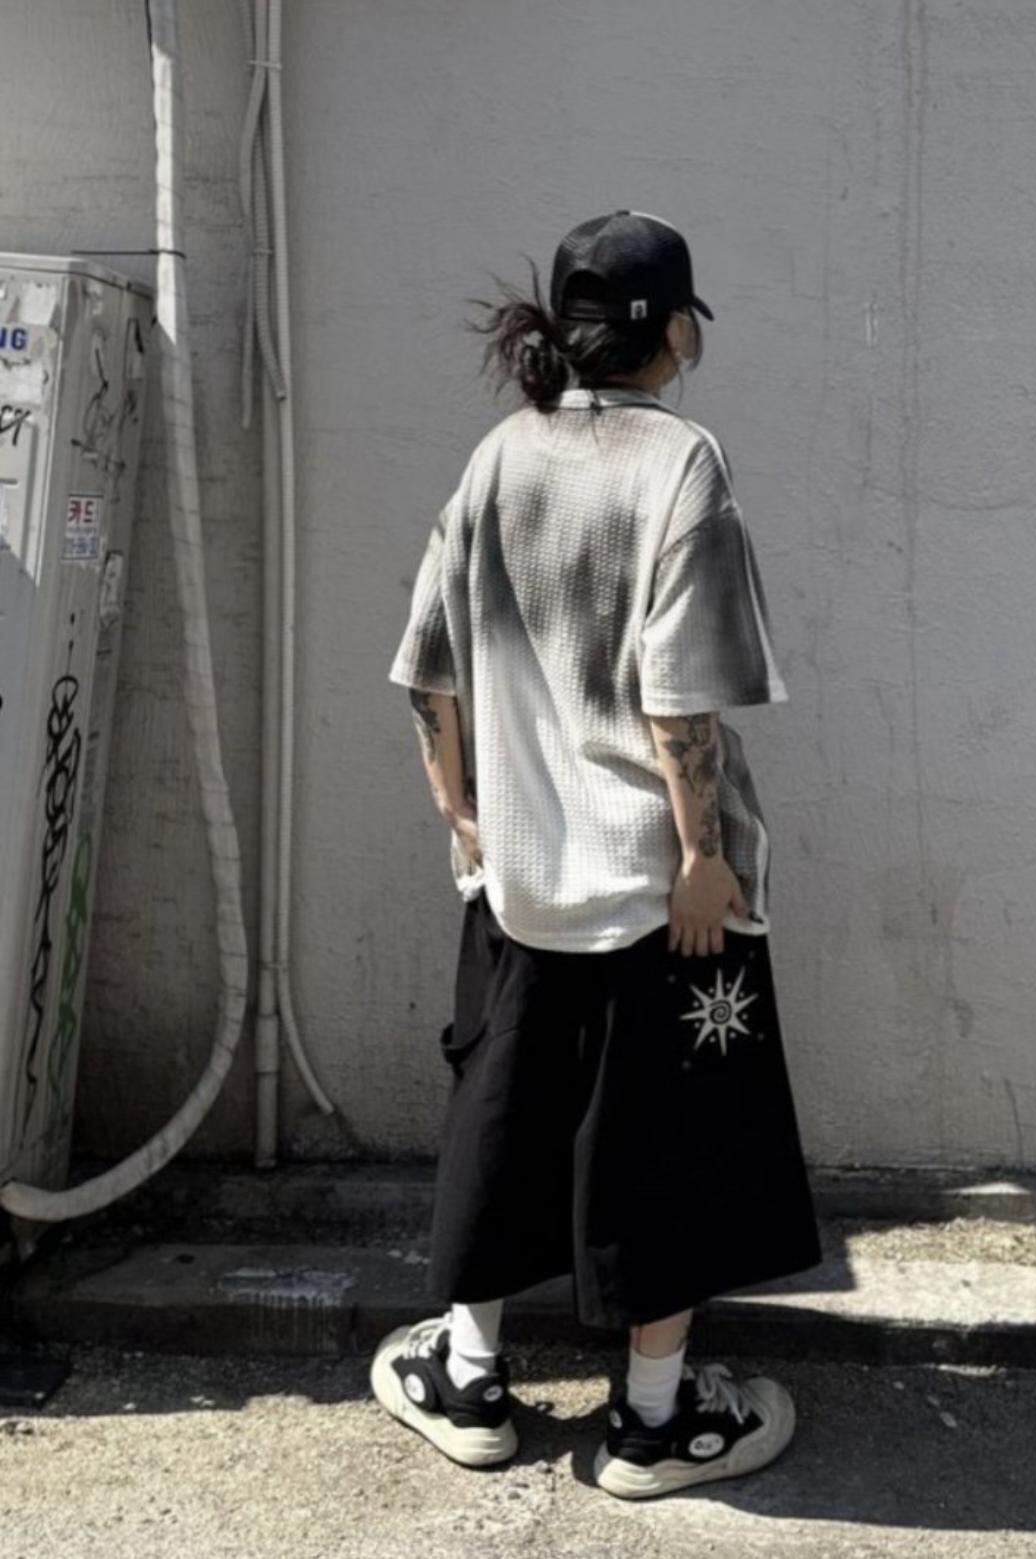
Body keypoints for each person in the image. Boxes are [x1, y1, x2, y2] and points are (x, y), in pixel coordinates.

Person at [373, 210, 823, 1499]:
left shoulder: (499, 456)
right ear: (671, 331)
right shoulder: (681, 462)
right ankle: (654, 1422)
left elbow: (428, 665)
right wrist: (701, 856)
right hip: (657, 886)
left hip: (522, 874)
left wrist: (461, 810)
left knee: (505, 1112)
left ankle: (468, 1382)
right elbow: (680, 697)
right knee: (662, 1145)